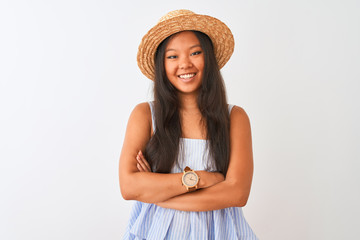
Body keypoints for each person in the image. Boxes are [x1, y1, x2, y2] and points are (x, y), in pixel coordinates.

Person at [119, 9, 258, 240]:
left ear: (209, 58)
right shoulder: (145, 114)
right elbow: (129, 187)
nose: (185, 64)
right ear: (162, 65)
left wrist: (157, 192)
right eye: (172, 56)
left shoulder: (235, 117)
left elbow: (237, 193)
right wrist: (203, 179)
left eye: (195, 53)